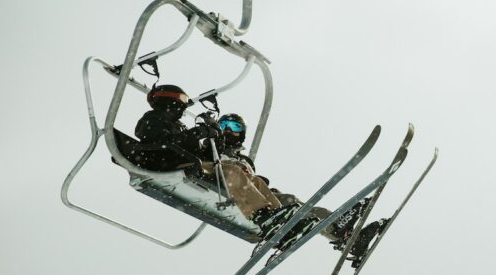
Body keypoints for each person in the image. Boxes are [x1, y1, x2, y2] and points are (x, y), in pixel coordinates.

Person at [132, 85, 315, 248]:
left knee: (257, 182)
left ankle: (281, 222)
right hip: (175, 164)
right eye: (183, 102)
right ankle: (264, 217)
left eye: (234, 127)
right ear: (171, 101)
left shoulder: (176, 125)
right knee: (232, 172)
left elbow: (190, 148)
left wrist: (209, 137)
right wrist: (199, 133)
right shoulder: (154, 119)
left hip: (190, 163)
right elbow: (163, 140)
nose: (184, 107)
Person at [213, 112, 388, 263]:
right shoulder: (210, 146)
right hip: (219, 183)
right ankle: (268, 218)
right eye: (223, 126)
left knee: (292, 201)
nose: (228, 131)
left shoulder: (244, 160)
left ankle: (344, 234)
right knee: (236, 174)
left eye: (234, 127)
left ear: (241, 133)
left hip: (247, 191)